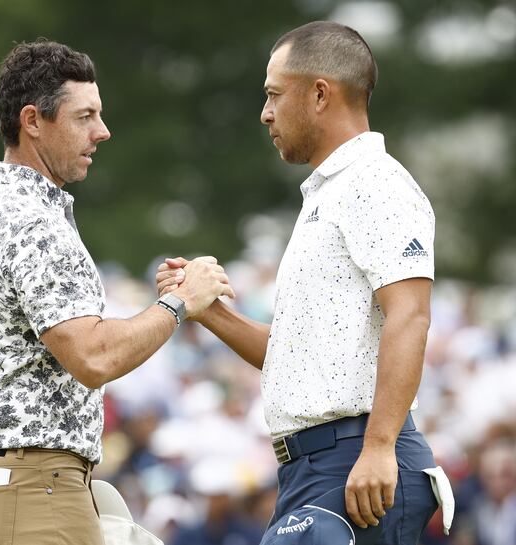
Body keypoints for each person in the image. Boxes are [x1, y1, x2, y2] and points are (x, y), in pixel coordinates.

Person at [0, 39, 234, 545]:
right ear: (33, 121)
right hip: (34, 491)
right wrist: (179, 303)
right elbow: (92, 355)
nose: (102, 132)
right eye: (85, 116)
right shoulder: (36, 222)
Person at [158, 21, 443, 544]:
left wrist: (379, 446)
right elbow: (291, 355)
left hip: (358, 462)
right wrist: (206, 309)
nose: (265, 112)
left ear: (319, 94)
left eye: (272, 95)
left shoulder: (375, 183)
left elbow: (411, 314)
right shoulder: (326, 195)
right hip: (316, 467)